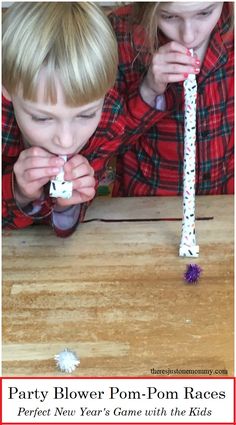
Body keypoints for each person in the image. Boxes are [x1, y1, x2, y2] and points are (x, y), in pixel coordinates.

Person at [2, 2, 161, 237]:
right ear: (5, 90)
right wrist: (17, 192)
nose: (66, 141)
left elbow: (63, 224)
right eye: (41, 118)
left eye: (85, 115)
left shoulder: (108, 122)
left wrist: (69, 206)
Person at [108, 2, 234, 197]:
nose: (188, 36)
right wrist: (148, 90)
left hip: (226, 204)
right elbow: (105, 146)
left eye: (205, 13)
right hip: (145, 206)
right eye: (169, 17)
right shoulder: (118, 33)